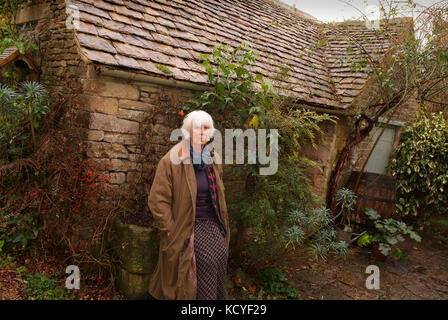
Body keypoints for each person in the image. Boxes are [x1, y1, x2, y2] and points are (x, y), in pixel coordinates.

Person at [147, 110, 230, 300]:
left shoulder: (212, 158)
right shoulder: (171, 160)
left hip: (210, 220)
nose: (202, 132)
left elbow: (219, 194)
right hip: (186, 224)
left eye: (207, 128)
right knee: (206, 260)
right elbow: (157, 200)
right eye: (197, 128)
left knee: (221, 255)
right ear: (188, 131)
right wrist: (169, 228)